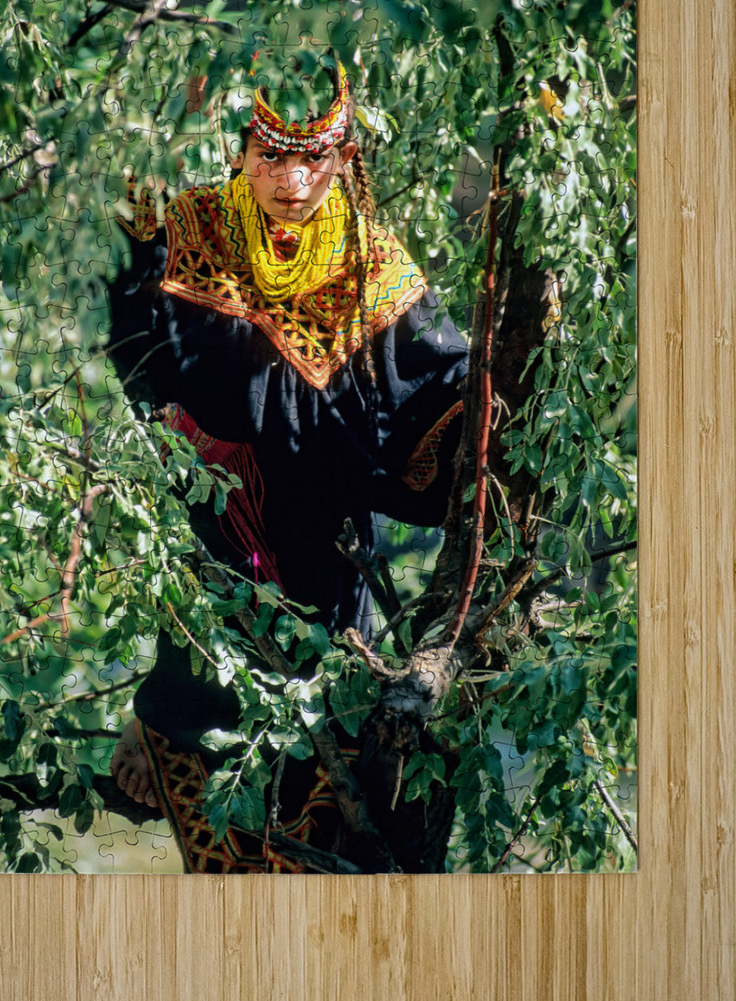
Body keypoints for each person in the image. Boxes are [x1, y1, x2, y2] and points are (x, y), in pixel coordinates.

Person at [107, 59, 469, 871]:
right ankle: (165, 718)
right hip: (215, 528)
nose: (294, 182)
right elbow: (135, 343)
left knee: (327, 801)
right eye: (271, 155)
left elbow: (441, 396)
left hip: (323, 547)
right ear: (239, 149)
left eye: (315, 157)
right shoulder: (193, 228)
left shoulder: (373, 264)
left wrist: (498, 404)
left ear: (346, 156)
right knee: (202, 622)